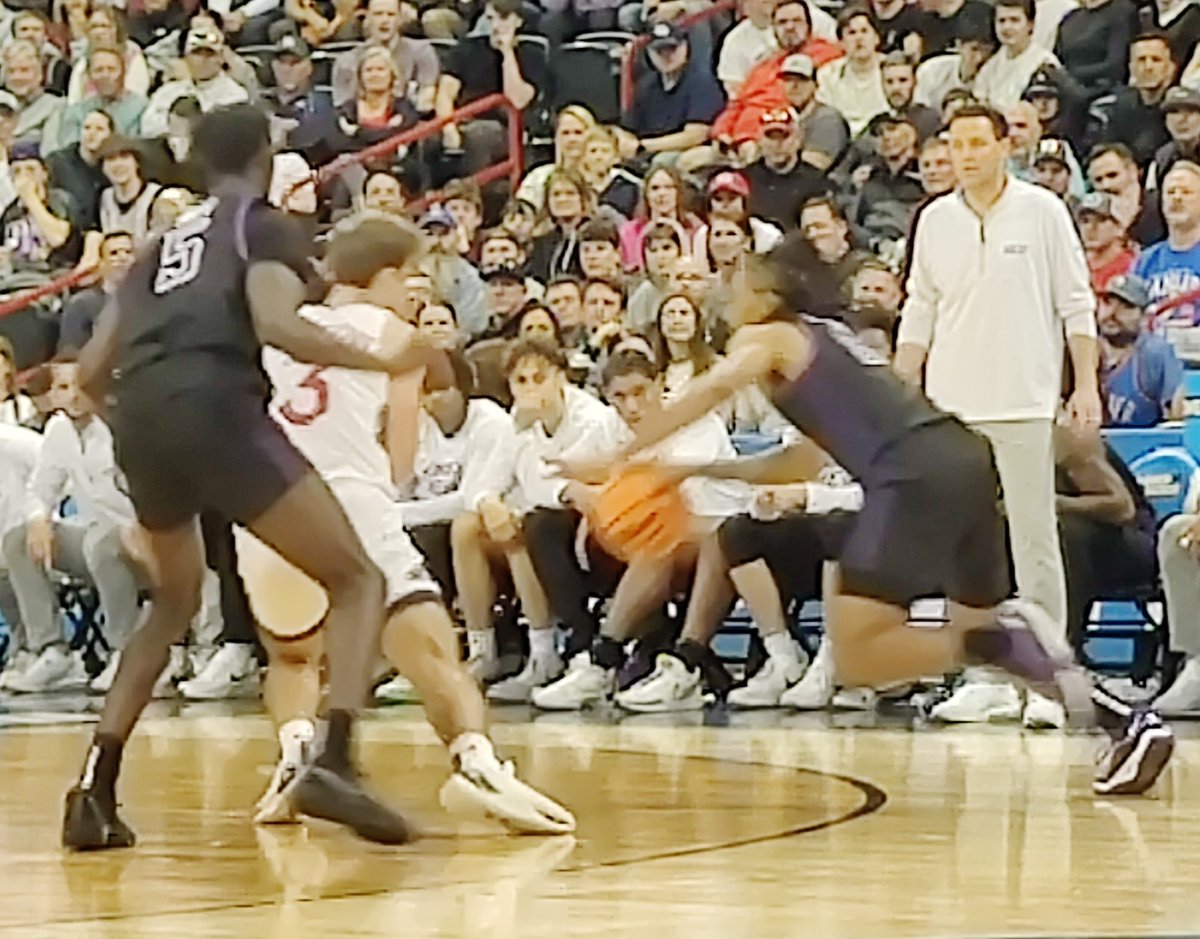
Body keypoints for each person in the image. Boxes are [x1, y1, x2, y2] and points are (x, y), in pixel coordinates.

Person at [560, 233, 1173, 798]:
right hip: (962, 460)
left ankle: (1004, 635)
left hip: (911, 480)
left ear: (769, 294)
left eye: (738, 278)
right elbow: (798, 463)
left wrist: (621, 456)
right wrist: (690, 471)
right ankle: (1127, 724)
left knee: (859, 658)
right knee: (992, 643)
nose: (725, 289)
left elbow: (710, 391)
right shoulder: (826, 341)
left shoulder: (768, 336)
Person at [61, 106, 446, 851]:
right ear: (266, 155)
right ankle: (334, 760)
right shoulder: (261, 224)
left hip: (140, 416)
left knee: (171, 602)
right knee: (357, 578)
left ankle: (92, 790)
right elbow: (279, 324)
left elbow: (86, 371)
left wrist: (144, 432)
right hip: (217, 407)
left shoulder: (154, 246)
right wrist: (392, 359)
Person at [250, 221, 573, 834]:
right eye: (413, 280)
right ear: (388, 275)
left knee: (292, 656)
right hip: (349, 500)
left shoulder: (278, 329)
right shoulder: (396, 337)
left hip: (270, 504)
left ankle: (295, 754)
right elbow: (400, 461)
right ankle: (476, 763)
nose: (416, 296)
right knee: (428, 644)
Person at [896, 104, 1099, 729]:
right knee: (967, 549)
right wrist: (904, 382)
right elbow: (920, 307)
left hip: (1023, 399)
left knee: (1035, 543)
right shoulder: (933, 219)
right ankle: (982, 676)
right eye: (956, 145)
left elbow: (1075, 302)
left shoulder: (1042, 212)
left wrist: (1085, 383)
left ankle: (1045, 682)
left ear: (1004, 146)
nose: (966, 155)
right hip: (953, 405)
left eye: (978, 143)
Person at [624, 21, 726, 157]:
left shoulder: (702, 83)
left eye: (672, 49)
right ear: (649, 52)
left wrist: (644, 146)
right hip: (647, 152)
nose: (667, 56)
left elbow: (696, 135)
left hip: (681, 154)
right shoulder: (645, 85)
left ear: (686, 47)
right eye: (660, 51)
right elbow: (628, 128)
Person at [1097, 273, 1185, 426]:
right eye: (1107, 303)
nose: (1112, 314)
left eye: (1126, 307)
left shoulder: (1154, 353)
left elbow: (1175, 418)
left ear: (1144, 316)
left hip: (1142, 445)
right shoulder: (1080, 349)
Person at [331, 0, 439, 111]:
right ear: (367, 17)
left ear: (400, 18)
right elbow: (342, 106)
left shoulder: (421, 52)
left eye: (391, 14)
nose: (384, 20)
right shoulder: (347, 61)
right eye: (378, 14)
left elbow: (427, 97)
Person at [744, 108, 836, 232]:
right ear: (759, 140)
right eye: (770, 137)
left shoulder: (816, 181)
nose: (777, 144)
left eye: (784, 136)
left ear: (798, 140)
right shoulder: (744, 180)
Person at [972, 0, 1059, 110]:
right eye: (1001, 21)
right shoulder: (990, 67)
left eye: (1014, 20)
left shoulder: (1045, 63)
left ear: (1030, 25)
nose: (1007, 27)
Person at [58, 231, 135, 354]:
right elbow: (70, 354)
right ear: (101, 263)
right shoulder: (82, 304)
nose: (123, 258)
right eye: (114, 253)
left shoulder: (152, 299)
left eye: (129, 252)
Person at [1076, 191, 1136, 293]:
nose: (1091, 228)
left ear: (1120, 227)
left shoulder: (1133, 267)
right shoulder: (1076, 267)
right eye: (1085, 221)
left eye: (1101, 220)